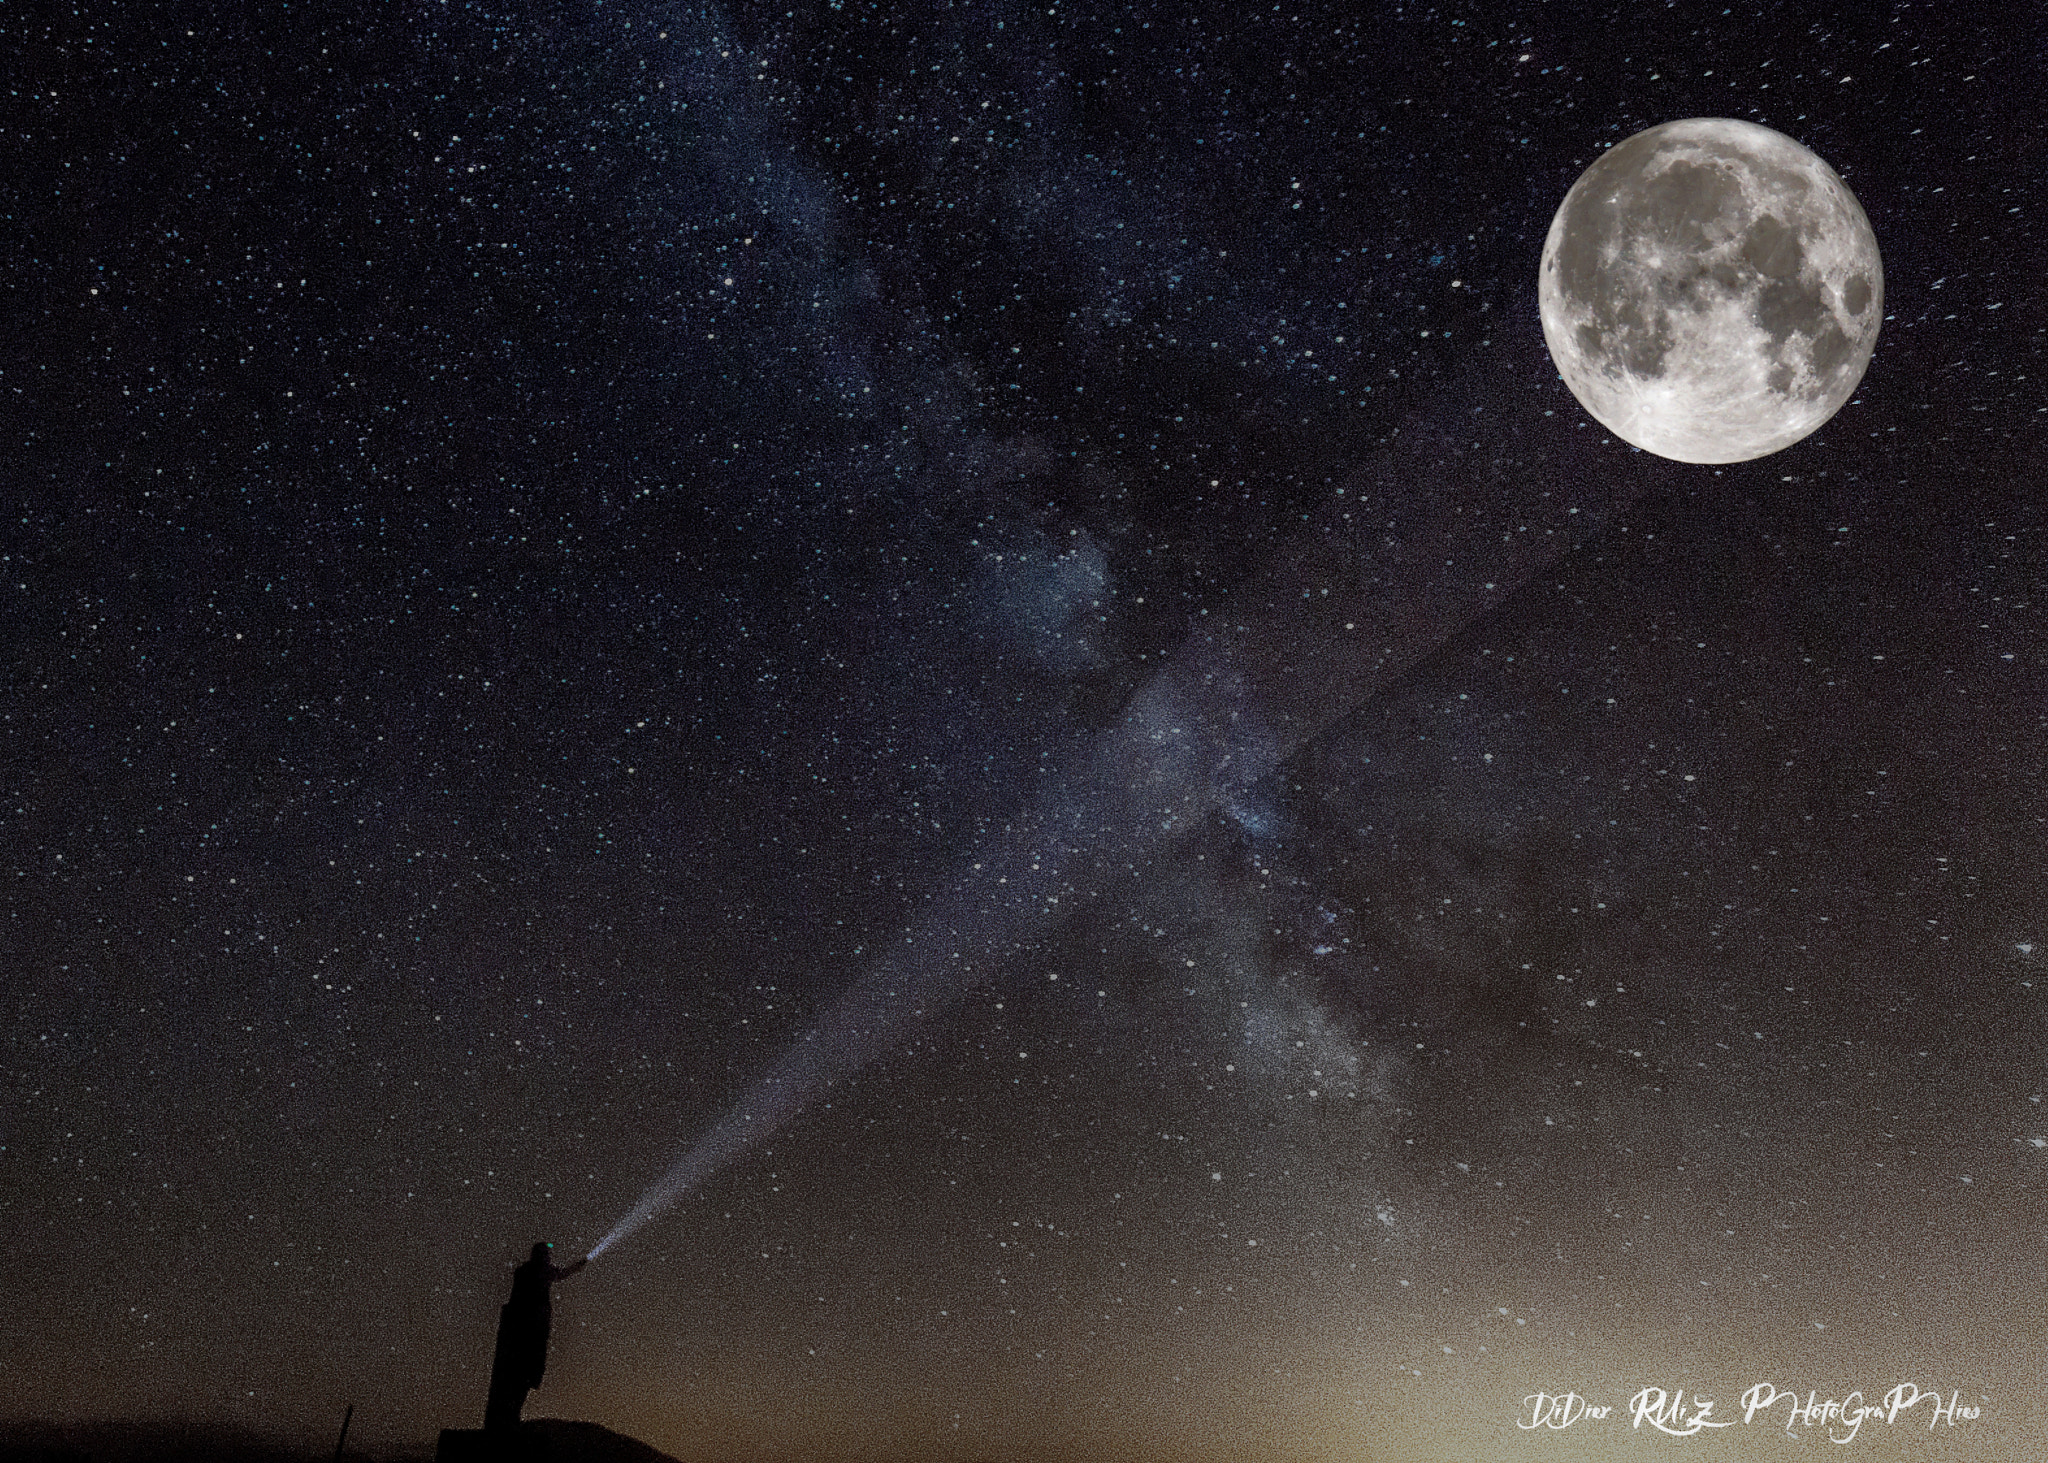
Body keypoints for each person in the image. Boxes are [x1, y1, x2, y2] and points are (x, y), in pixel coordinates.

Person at [482, 1242, 588, 1433]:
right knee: (523, 1375)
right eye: (547, 1254)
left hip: (526, 1327)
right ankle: (509, 1418)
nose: (549, 1258)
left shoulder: (524, 1272)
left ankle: (508, 1417)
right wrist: (579, 1265)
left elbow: (559, 1274)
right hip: (531, 1329)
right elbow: (559, 1274)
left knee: (521, 1376)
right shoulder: (535, 1273)